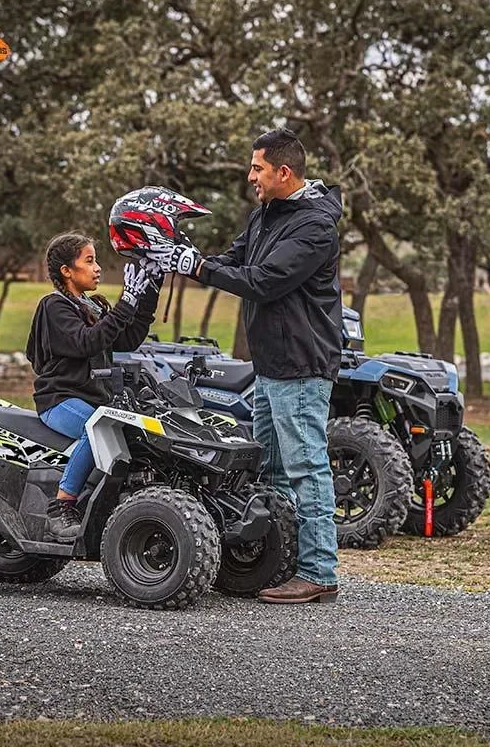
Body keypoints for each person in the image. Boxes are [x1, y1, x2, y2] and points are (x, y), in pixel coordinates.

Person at [150, 128, 343, 604]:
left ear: (283, 172)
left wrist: (197, 268)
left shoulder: (314, 226)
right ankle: (282, 563)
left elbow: (264, 281)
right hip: (271, 367)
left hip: (300, 366)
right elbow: (233, 260)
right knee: (271, 469)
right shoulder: (265, 217)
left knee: (306, 468)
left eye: (257, 167)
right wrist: (182, 257)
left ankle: (319, 572)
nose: (250, 175)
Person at [25, 232, 161, 541]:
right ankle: (62, 506)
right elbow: (87, 342)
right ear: (67, 271)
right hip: (59, 400)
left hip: (95, 400)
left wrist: (148, 292)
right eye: (89, 261)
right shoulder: (54, 306)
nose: (98, 268)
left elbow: (127, 338)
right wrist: (126, 303)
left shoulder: (93, 306)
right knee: (98, 428)